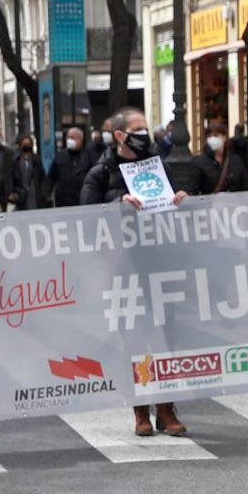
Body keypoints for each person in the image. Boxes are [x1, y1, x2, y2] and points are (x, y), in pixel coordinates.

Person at [80, 107, 192, 437]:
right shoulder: (99, 174)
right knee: (136, 340)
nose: (146, 134)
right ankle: (141, 409)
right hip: (123, 271)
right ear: (120, 136)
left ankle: (167, 409)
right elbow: (86, 222)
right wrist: (116, 208)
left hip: (160, 266)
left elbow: (174, 206)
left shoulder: (159, 167)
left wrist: (183, 201)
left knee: (166, 339)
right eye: (139, 129)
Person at [192, 120, 248, 195]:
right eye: (209, 136)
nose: (212, 139)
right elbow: (193, 190)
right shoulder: (198, 163)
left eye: (216, 135)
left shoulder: (236, 161)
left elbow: (245, 187)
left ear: (224, 137)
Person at [47, 126, 93, 208]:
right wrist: (47, 193)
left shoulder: (87, 156)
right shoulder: (60, 155)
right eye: (68, 137)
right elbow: (51, 175)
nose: (69, 140)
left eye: (72, 138)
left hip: (80, 199)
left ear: (80, 140)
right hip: (62, 200)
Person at [9, 133, 45, 211]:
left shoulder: (36, 159)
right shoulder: (15, 160)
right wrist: (12, 191)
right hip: (20, 193)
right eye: (24, 143)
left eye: (28, 143)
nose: (26, 145)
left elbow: (42, 176)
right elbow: (11, 177)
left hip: (34, 192)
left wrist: (43, 192)